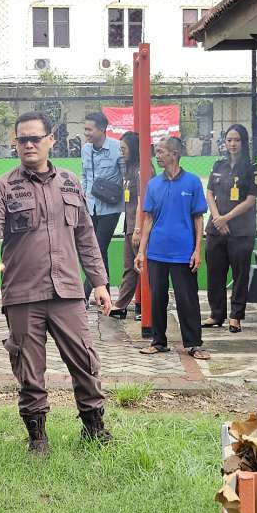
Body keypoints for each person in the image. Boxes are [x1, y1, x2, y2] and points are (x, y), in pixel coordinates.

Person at [0, 111, 113, 455]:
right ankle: (38, 438)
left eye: (36, 138)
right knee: (29, 369)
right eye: (22, 139)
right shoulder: (3, 187)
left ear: (51, 140)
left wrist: (99, 282)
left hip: (67, 292)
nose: (29, 145)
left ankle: (94, 429)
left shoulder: (69, 182)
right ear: (15, 143)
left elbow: (86, 235)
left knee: (84, 360)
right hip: (23, 294)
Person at [134, 136, 209, 360]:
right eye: (157, 152)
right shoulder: (154, 184)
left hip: (183, 253)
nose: (157, 156)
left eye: (161, 152)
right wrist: (141, 251)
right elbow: (148, 219)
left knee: (188, 298)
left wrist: (198, 250)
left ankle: (194, 344)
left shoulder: (193, 182)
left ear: (174, 154)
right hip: (157, 251)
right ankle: (158, 341)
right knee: (157, 297)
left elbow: (198, 219)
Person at [204, 124, 257, 332]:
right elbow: (210, 193)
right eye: (229, 140)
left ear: (244, 143)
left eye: (237, 140)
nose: (233, 144)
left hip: (241, 230)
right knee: (215, 272)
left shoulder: (252, 167)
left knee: (240, 274)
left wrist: (227, 217)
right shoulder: (218, 165)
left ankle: (235, 316)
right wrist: (218, 218)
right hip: (216, 229)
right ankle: (216, 314)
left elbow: (251, 199)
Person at [80, 111, 124, 300]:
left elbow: (126, 176)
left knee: (96, 249)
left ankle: (84, 295)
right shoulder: (85, 149)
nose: (86, 133)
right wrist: (83, 199)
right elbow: (85, 175)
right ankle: (103, 292)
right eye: (85, 129)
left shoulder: (117, 148)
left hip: (110, 208)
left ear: (102, 129)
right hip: (90, 207)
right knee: (100, 251)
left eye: (89, 129)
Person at [109, 131, 145, 320]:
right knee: (129, 268)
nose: (121, 152)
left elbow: (142, 202)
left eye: (124, 148)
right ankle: (121, 305)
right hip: (129, 226)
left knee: (143, 268)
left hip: (138, 227)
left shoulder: (143, 170)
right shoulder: (129, 170)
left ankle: (147, 306)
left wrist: (138, 228)